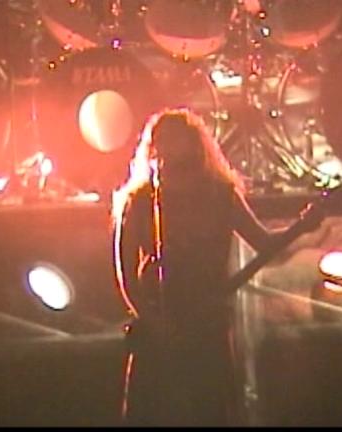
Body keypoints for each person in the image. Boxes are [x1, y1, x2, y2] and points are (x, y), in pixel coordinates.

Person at [111, 108, 319, 426]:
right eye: (161, 141)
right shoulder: (140, 201)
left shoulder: (220, 195)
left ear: (193, 144)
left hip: (206, 323)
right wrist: (152, 320)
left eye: (175, 140)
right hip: (158, 325)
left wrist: (302, 227)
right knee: (150, 411)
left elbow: (264, 243)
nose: (168, 148)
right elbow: (126, 274)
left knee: (209, 407)